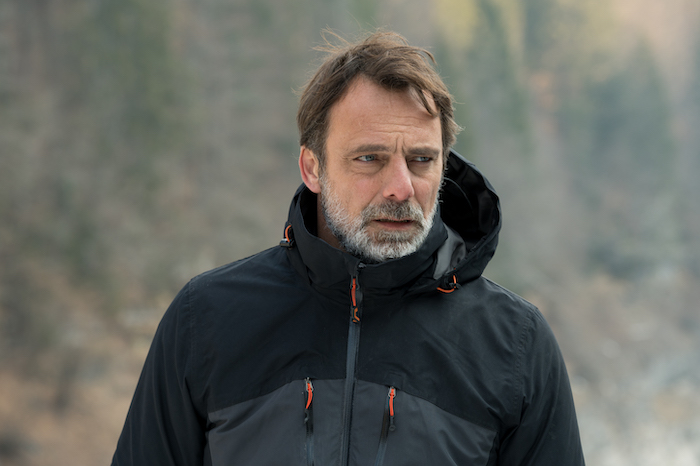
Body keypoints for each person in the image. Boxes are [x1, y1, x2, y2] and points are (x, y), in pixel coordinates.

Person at [112, 31, 585, 465]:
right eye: (369, 158)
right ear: (312, 168)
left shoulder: (515, 345)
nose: (401, 187)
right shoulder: (206, 319)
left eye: (421, 159)